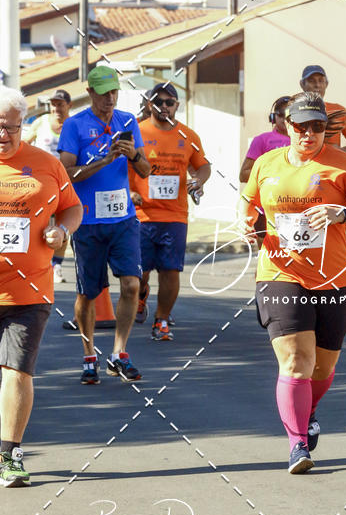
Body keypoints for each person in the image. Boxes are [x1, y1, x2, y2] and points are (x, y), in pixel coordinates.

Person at [240, 92, 346, 474]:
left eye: (317, 126)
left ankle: (310, 408)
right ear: (288, 126)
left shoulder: (342, 164)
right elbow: (250, 202)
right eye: (302, 126)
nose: (309, 133)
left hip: (333, 279)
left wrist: (341, 212)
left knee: (321, 367)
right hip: (279, 274)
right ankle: (297, 444)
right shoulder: (267, 163)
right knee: (297, 362)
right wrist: (247, 226)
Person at [0, 87, 82, 486]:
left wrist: (62, 230)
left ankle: (10, 455)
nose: (4, 134)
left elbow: (73, 206)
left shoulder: (46, 164)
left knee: (17, 371)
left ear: (22, 127)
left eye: (12, 127)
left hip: (29, 290)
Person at [58, 65, 150, 384]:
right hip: (87, 221)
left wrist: (133, 155)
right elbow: (66, 173)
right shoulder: (74, 125)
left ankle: (118, 354)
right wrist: (104, 160)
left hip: (123, 219)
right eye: (103, 93)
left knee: (131, 285)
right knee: (88, 293)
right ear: (91, 93)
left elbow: (146, 170)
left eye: (114, 92)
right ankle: (88, 355)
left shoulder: (127, 121)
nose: (109, 99)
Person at [129, 82, 210, 340]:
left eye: (169, 102)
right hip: (141, 214)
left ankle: (161, 320)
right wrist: (128, 193)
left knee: (170, 270)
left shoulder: (189, 136)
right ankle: (141, 296)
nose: (164, 106)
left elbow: (203, 166)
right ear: (149, 104)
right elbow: (119, 167)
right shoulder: (137, 132)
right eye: (158, 101)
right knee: (139, 272)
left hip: (175, 215)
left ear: (177, 105)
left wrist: (199, 180)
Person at [24, 88, 72, 283]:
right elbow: (24, 143)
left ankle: (57, 266)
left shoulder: (72, 125)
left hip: (64, 181)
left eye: (60, 104)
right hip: (41, 183)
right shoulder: (41, 122)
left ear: (69, 105)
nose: (56, 108)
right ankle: (35, 264)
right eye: (53, 104)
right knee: (39, 223)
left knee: (62, 224)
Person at [239, 96, 291, 248]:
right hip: (265, 209)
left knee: (294, 260)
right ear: (273, 117)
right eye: (280, 114)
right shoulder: (262, 140)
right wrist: (273, 175)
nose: (284, 118)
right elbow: (243, 174)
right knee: (266, 258)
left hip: (295, 208)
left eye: (289, 114)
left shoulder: (304, 142)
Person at [299, 65, 346, 155]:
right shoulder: (295, 111)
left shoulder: (338, 111)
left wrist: (340, 152)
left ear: (326, 84)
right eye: (312, 81)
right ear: (302, 84)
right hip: (305, 165)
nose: (317, 85)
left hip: (332, 167)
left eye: (321, 81)